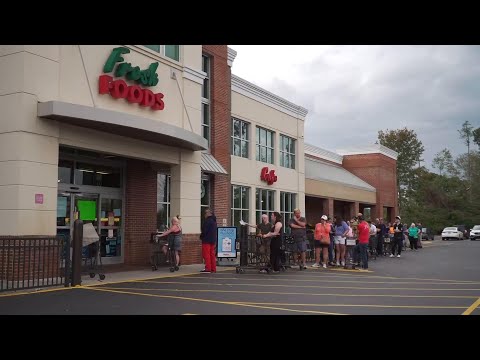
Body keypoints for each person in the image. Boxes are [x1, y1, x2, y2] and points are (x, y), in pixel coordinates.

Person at [200, 208, 217, 273]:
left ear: (209, 213)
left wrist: (201, 236)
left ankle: (208, 268)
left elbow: (205, 230)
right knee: (212, 254)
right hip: (212, 240)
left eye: (206, 213)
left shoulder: (207, 221)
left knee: (206, 254)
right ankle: (213, 268)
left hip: (206, 239)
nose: (205, 214)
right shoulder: (214, 221)